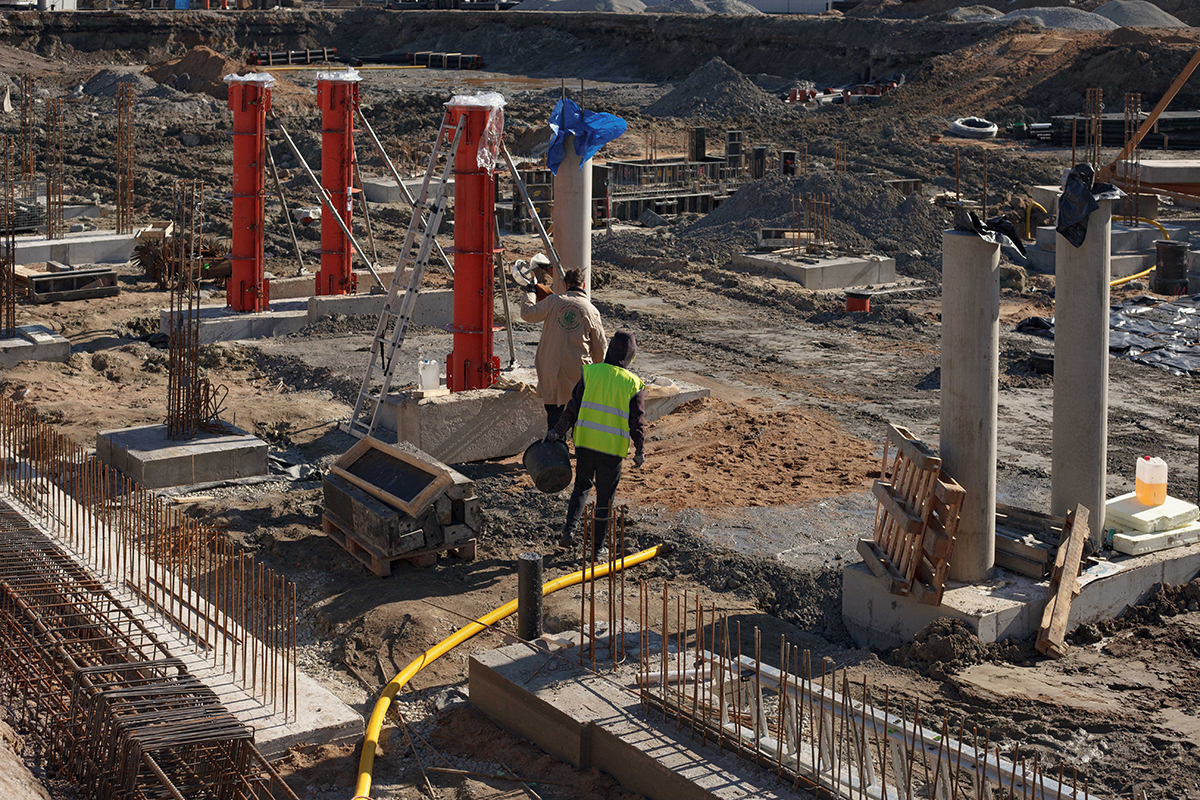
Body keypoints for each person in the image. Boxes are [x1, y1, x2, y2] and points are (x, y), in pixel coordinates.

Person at [546, 330, 646, 555]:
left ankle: (569, 532)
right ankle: (598, 548)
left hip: (585, 444)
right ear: (631, 356)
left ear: (610, 349)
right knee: (604, 499)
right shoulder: (633, 384)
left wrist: (556, 431)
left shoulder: (591, 373)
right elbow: (636, 422)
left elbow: (572, 408)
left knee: (581, 487)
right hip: (611, 450)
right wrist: (640, 449)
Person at [519, 267, 607, 429]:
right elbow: (600, 350)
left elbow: (528, 314)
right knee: (577, 415)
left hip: (549, 369)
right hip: (577, 371)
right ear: (584, 284)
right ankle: (578, 450)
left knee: (554, 414)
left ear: (565, 285)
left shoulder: (553, 302)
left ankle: (554, 449)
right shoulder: (591, 310)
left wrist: (531, 292)